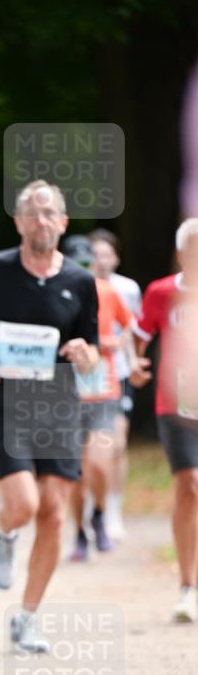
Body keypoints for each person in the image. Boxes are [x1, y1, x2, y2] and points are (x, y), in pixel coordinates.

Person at [0, 180, 100, 653]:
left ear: (63, 223)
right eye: (33, 213)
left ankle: (27, 617)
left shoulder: (80, 282)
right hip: (4, 399)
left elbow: (92, 351)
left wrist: (85, 354)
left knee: (55, 514)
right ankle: (2, 530)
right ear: (18, 222)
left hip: (58, 401)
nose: (42, 221)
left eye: (50, 213)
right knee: (24, 505)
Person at [131, 218, 198, 623]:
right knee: (190, 486)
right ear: (181, 252)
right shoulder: (161, 292)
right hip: (177, 405)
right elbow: (138, 343)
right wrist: (136, 367)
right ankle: (187, 586)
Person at [63, 235, 136, 561]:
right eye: (75, 262)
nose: (83, 268)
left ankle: (101, 515)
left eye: (87, 263)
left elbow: (130, 326)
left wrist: (120, 350)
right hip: (66, 393)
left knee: (100, 464)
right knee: (76, 474)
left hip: (103, 390)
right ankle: (79, 532)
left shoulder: (108, 292)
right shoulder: (55, 293)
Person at [89, 228, 143, 540]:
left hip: (118, 373)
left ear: (116, 258)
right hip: (87, 376)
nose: (101, 260)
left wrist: (131, 358)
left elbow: (132, 328)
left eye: (106, 254)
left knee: (117, 445)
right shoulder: (80, 285)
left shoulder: (127, 288)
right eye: (96, 255)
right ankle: (93, 505)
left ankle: (113, 508)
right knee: (92, 449)